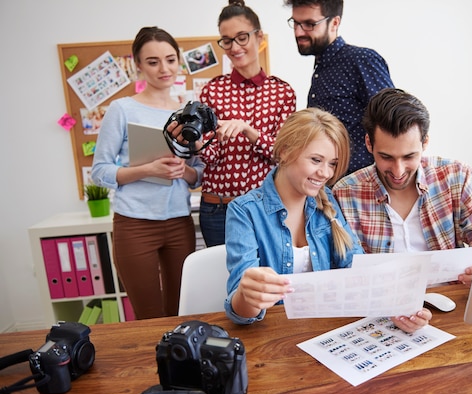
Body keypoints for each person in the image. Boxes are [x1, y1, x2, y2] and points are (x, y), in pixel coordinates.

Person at [224, 108, 432, 333]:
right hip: (272, 337)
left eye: (332, 163)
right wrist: (248, 295)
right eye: (316, 160)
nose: (325, 173)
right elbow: (240, 315)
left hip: (320, 332)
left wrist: (399, 305)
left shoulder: (328, 201)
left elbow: (356, 269)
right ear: (284, 152)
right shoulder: (244, 211)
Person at [91, 27, 205, 319]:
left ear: (179, 61)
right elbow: (100, 172)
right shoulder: (122, 109)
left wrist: (185, 172)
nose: (164, 68)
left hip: (180, 222)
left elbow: (199, 174)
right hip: (135, 225)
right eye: (153, 62)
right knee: (149, 317)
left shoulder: (187, 111)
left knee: (182, 312)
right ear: (138, 66)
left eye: (169, 59)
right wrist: (147, 170)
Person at [333, 88, 472, 286]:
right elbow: (342, 271)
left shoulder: (457, 178)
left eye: (409, 157)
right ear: (368, 144)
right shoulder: (345, 194)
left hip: (450, 304)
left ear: (425, 143)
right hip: (381, 308)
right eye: (386, 157)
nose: (398, 172)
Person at [197, 0, 297, 247]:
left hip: (265, 206)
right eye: (227, 40)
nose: (234, 47)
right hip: (218, 208)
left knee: (268, 279)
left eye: (242, 37)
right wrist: (195, 142)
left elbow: (283, 156)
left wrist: (248, 130)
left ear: (258, 37)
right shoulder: (212, 91)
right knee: (224, 283)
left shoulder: (282, 92)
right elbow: (210, 156)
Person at [284, 0, 394, 175]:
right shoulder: (321, 68)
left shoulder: (362, 60)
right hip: (328, 185)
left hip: (362, 187)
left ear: (334, 22)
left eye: (309, 24)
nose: (298, 32)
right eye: (296, 23)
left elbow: (393, 121)